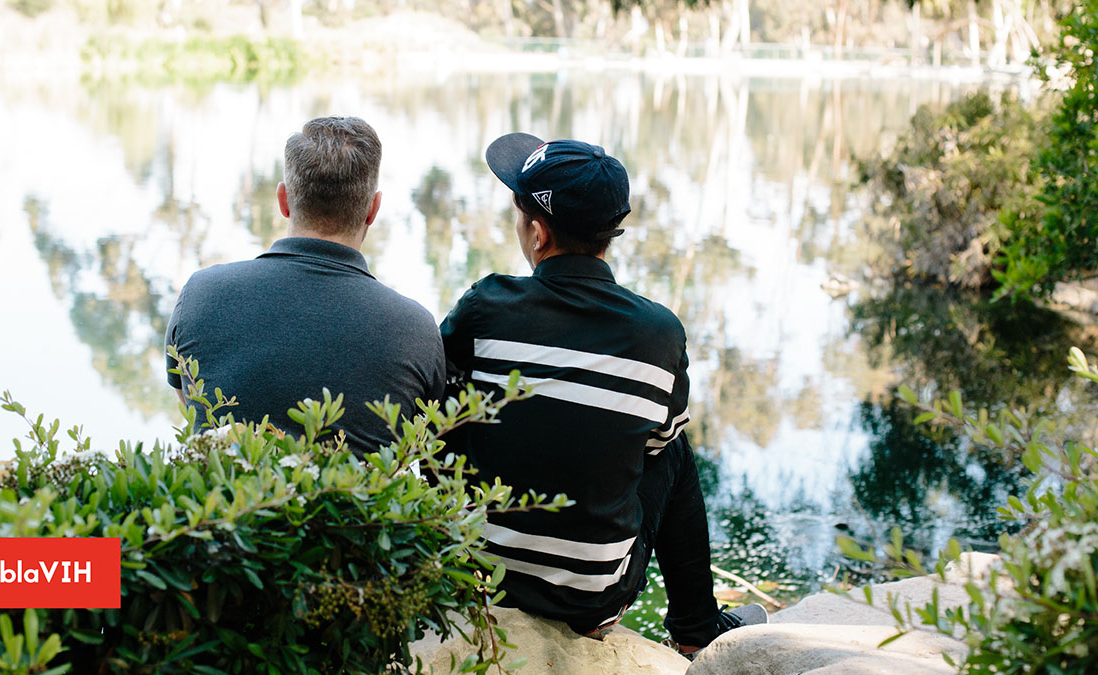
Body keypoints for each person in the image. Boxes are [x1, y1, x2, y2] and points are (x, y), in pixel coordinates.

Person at [440, 133, 767, 656]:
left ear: (538, 233)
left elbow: (436, 408)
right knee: (674, 449)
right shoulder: (659, 333)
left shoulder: (487, 305)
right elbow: (657, 447)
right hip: (593, 599)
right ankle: (695, 630)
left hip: (478, 572)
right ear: (609, 232)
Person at [165, 116, 445, 454]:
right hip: (359, 507)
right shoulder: (415, 329)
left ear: (283, 201)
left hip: (226, 505)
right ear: (373, 209)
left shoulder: (200, 295)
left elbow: (191, 404)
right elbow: (426, 441)